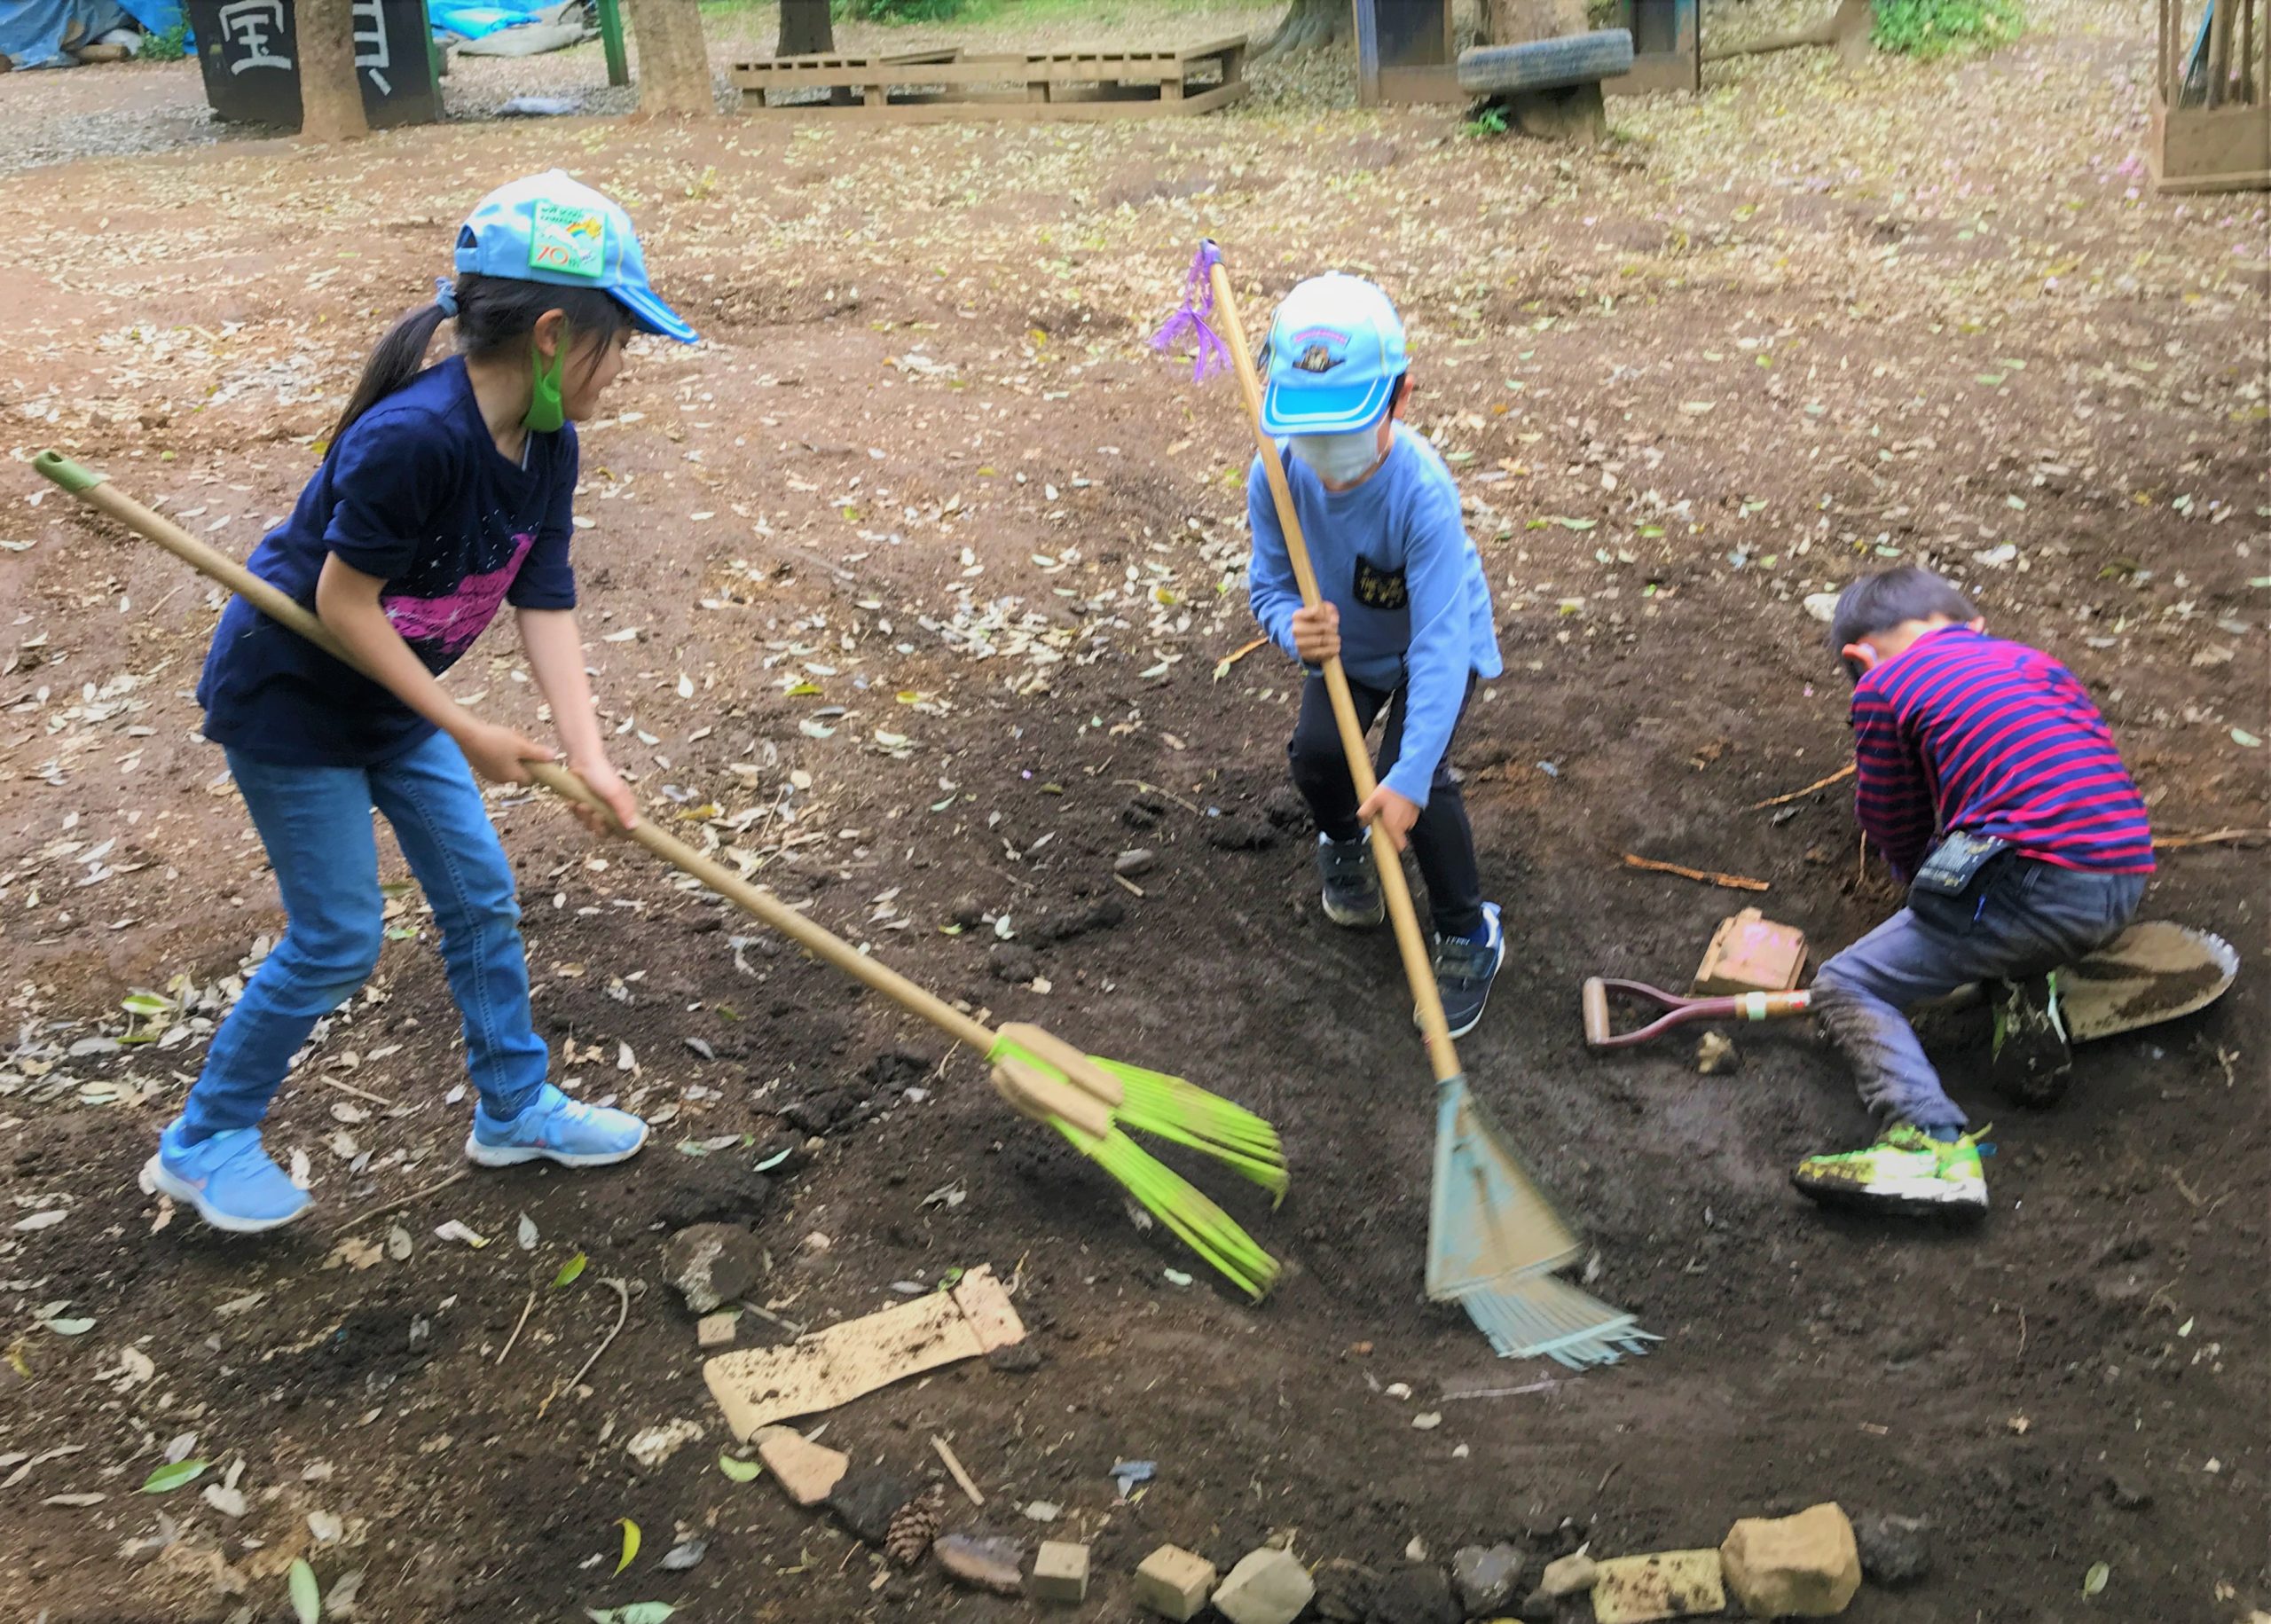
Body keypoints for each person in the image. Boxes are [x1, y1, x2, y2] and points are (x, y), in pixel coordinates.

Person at [145, 171, 700, 1234]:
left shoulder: (546, 445)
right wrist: (464, 725)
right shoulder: (415, 438)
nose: (622, 368)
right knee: (340, 934)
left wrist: (589, 755)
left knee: (480, 894)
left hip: (394, 704)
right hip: (294, 703)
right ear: (549, 334)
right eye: (615, 340)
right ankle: (205, 1141)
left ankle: (513, 1107)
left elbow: (543, 596)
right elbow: (340, 603)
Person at [1794, 566, 2154, 1217]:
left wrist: (1916, 889)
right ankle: (2021, 983)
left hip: (2033, 882)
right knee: (1988, 894)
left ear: (1858, 656)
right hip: (2122, 869)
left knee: (1849, 983)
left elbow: (1892, 815)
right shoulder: (2037, 665)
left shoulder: (1882, 682)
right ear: (1975, 627)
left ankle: (1929, 1146)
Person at [1245, 273, 1507, 1036]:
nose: (1325, 454)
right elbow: (1266, 583)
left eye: (1346, 428)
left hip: (1439, 643)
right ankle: (1342, 837)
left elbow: (1436, 643)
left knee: (1414, 788)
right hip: (1346, 652)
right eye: (1308, 430)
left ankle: (1467, 928)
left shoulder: (1421, 493)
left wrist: (1409, 774)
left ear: (1401, 398)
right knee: (1319, 759)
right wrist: (1288, 624)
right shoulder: (1277, 472)